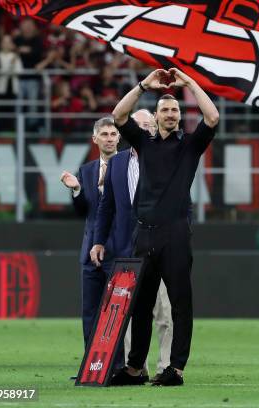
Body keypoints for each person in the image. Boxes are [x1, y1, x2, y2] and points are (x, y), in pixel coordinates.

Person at [109, 67, 219, 386]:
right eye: (165, 109)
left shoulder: (189, 146)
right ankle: (134, 368)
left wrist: (190, 84)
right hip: (143, 233)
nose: (170, 113)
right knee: (140, 305)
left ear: (180, 116)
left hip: (175, 233)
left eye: (174, 109)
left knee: (180, 303)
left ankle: (176, 368)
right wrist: (144, 85)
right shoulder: (144, 142)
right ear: (156, 116)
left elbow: (211, 118)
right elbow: (118, 115)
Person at [90, 109, 172, 383]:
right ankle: (135, 368)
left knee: (163, 313)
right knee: (127, 315)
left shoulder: (165, 157)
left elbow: (182, 201)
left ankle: (166, 367)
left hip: (159, 248)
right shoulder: (117, 162)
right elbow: (107, 207)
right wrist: (99, 240)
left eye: (150, 125)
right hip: (127, 250)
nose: (147, 129)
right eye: (141, 125)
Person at [59, 116, 119, 349]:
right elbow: (82, 211)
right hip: (89, 253)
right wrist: (76, 190)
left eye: (113, 134)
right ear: (95, 139)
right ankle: (90, 365)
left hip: (119, 250)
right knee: (90, 312)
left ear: (120, 137)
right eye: (104, 134)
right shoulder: (86, 171)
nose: (110, 139)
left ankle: (116, 367)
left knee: (117, 311)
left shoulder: (129, 167)